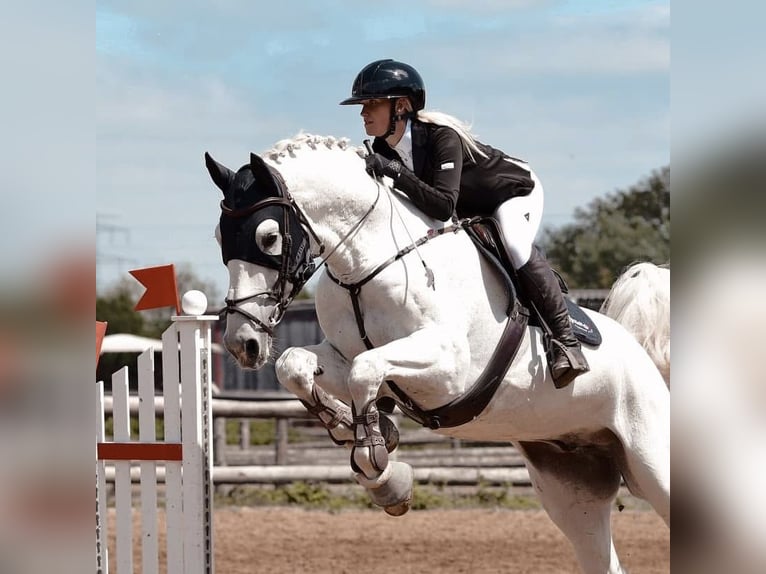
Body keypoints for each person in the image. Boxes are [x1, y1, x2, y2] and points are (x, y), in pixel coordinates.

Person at [339, 58, 589, 388]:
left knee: (514, 243)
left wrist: (395, 172)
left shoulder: (442, 137)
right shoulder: (384, 148)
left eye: (372, 104)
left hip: (512, 192)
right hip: (466, 206)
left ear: (401, 107)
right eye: (362, 105)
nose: (363, 113)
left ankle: (566, 342)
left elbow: (442, 206)